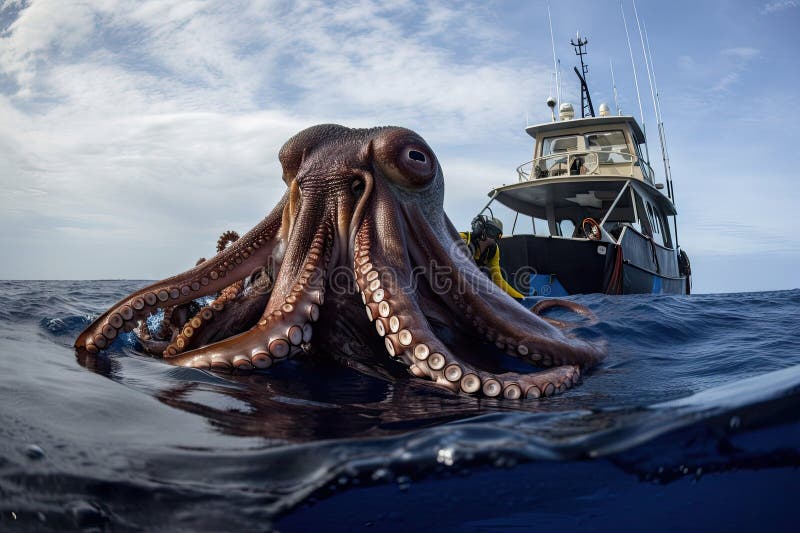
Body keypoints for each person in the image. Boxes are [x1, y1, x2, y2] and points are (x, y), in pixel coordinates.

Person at [460, 216, 524, 299]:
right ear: (479, 228)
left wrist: (521, 298)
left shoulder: (493, 250)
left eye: (497, 235)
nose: (493, 237)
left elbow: (498, 280)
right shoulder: (462, 238)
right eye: (490, 231)